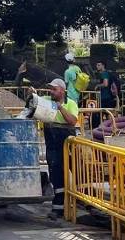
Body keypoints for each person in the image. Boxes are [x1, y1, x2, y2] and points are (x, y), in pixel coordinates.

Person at [40, 78, 79, 214]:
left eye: (54, 89)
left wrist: (60, 107)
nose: (51, 92)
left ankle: (82, 200)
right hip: (52, 142)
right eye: (50, 89)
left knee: (75, 170)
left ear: (62, 90)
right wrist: (31, 94)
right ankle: (58, 206)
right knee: (55, 172)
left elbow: (73, 121)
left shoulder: (71, 103)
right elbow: (35, 102)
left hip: (66, 140)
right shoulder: (46, 100)